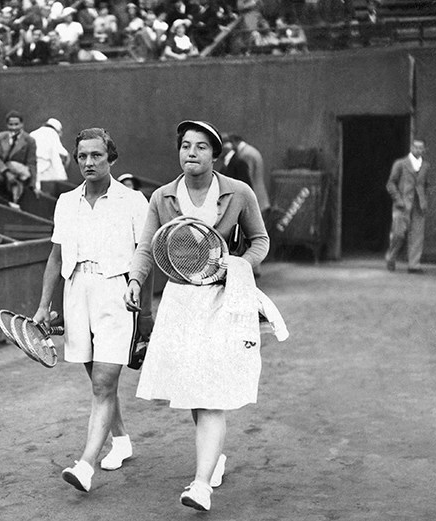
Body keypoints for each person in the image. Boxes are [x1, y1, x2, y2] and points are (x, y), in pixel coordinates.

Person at [124, 120, 269, 512]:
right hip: (180, 303)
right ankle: (214, 454)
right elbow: (145, 246)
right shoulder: (162, 197)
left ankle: (201, 484)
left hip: (222, 300)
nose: (191, 152)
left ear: (215, 154)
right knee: (193, 388)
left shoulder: (238, 192)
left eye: (201, 147)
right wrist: (136, 280)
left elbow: (260, 240)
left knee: (211, 394)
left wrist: (236, 267)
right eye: (186, 145)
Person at [32, 128, 149, 493]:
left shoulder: (133, 201)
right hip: (76, 290)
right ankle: (123, 439)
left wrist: (142, 308)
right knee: (97, 378)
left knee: (103, 382)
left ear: (111, 158)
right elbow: (55, 256)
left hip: (117, 291)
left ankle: (85, 464)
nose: (88, 162)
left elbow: (146, 257)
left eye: (96, 155)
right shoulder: (66, 201)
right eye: (82, 156)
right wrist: (43, 305)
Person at [385, 138, 429, 273]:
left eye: (421, 148)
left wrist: (424, 199)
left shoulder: (425, 166)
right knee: (398, 234)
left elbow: (425, 184)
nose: (418, 150)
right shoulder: (400, 164)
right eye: (416, 147)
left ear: (424, 150)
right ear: (411, 148)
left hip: (418, 205)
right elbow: (390, 184)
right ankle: (391, 257)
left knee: (417, 235)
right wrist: (398, 200)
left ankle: (413, 265)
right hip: (402, 204)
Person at [0, 110, 37, 203]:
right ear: (7, 125)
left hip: (18, 175)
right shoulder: (1, 137)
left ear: (22, 124)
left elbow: (31, 163)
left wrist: (33, 184)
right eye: (11, 124)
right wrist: (6, 172)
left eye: (16, 124)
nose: (14, 127)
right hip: (2, 171)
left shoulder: (29, 140)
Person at [229, 134, 270, 215]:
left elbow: (247, 177)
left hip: (255, 200)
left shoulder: (245, 154)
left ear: (234, 142)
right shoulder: (250, 151)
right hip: (260, 198)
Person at [29, 117, 69, 192]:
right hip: (45, 166)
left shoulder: (32, 133)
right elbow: (63, 154)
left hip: (30, 167)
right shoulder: (53, 134)